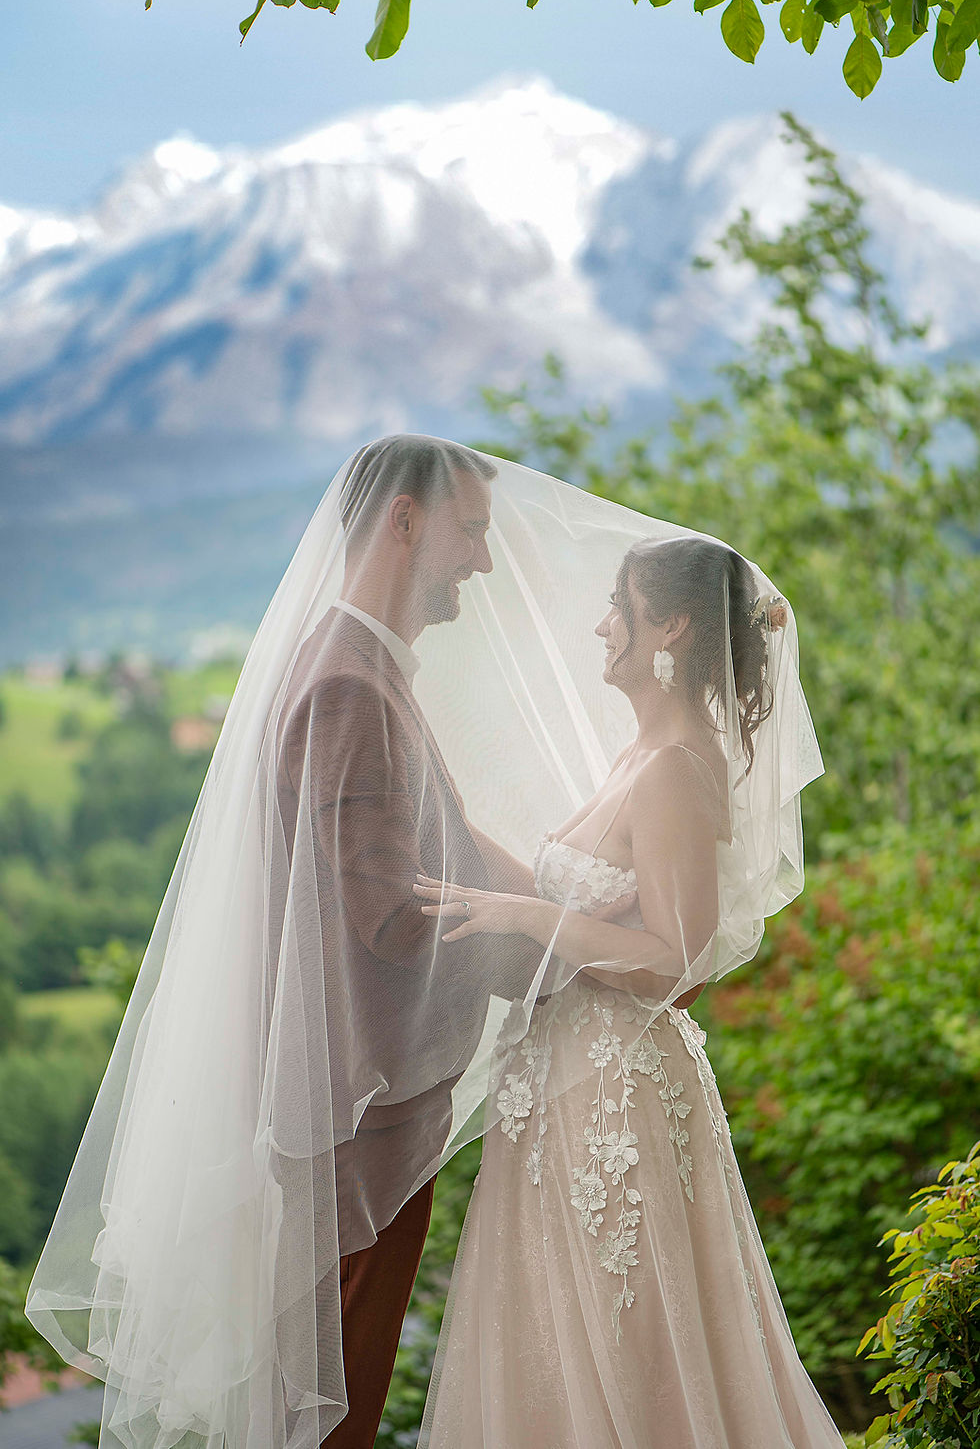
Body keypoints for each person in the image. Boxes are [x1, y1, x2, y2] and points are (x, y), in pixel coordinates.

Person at [23, 437, 822, 1449]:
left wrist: (576, 936)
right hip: (364, 1103)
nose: (484, 562)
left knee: (574, 1343)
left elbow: (493, 873)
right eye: (473, 531)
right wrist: (563, 959)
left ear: (669, 629)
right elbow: (394, 915)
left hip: (555, 1089)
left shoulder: (370, 672)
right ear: (405, 519)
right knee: (342, 1395)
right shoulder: (351, 682)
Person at [414, 537, 848, 1447]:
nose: (603, 623)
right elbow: (563, 888)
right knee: (553, 1340)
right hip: (561, 1088)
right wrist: (444, 816)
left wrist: (527, 922)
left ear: (673, 626)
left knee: (632, 1348)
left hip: (615, 1093)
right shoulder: (639, 755)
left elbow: (675, 959)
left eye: (620, 604)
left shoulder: (677, 769)